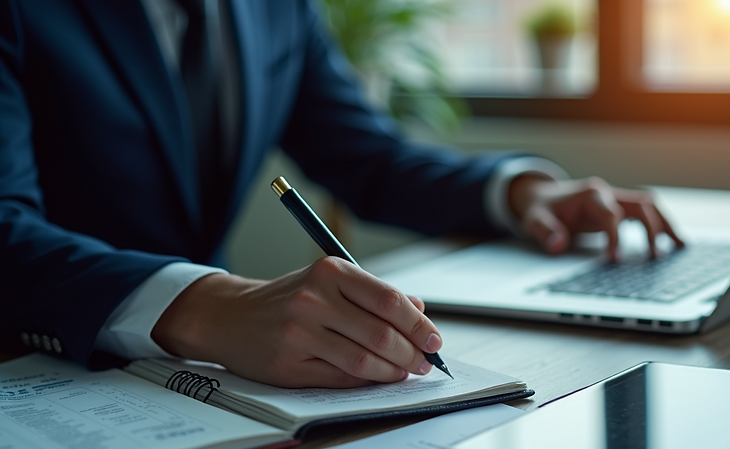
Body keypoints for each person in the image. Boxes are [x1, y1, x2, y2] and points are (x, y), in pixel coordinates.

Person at [0, 0, 680, 389]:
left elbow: (368, 158)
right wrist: (205, 306)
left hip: (208, 390)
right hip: (37, 372)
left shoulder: (276, 10)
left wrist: (518, 192)